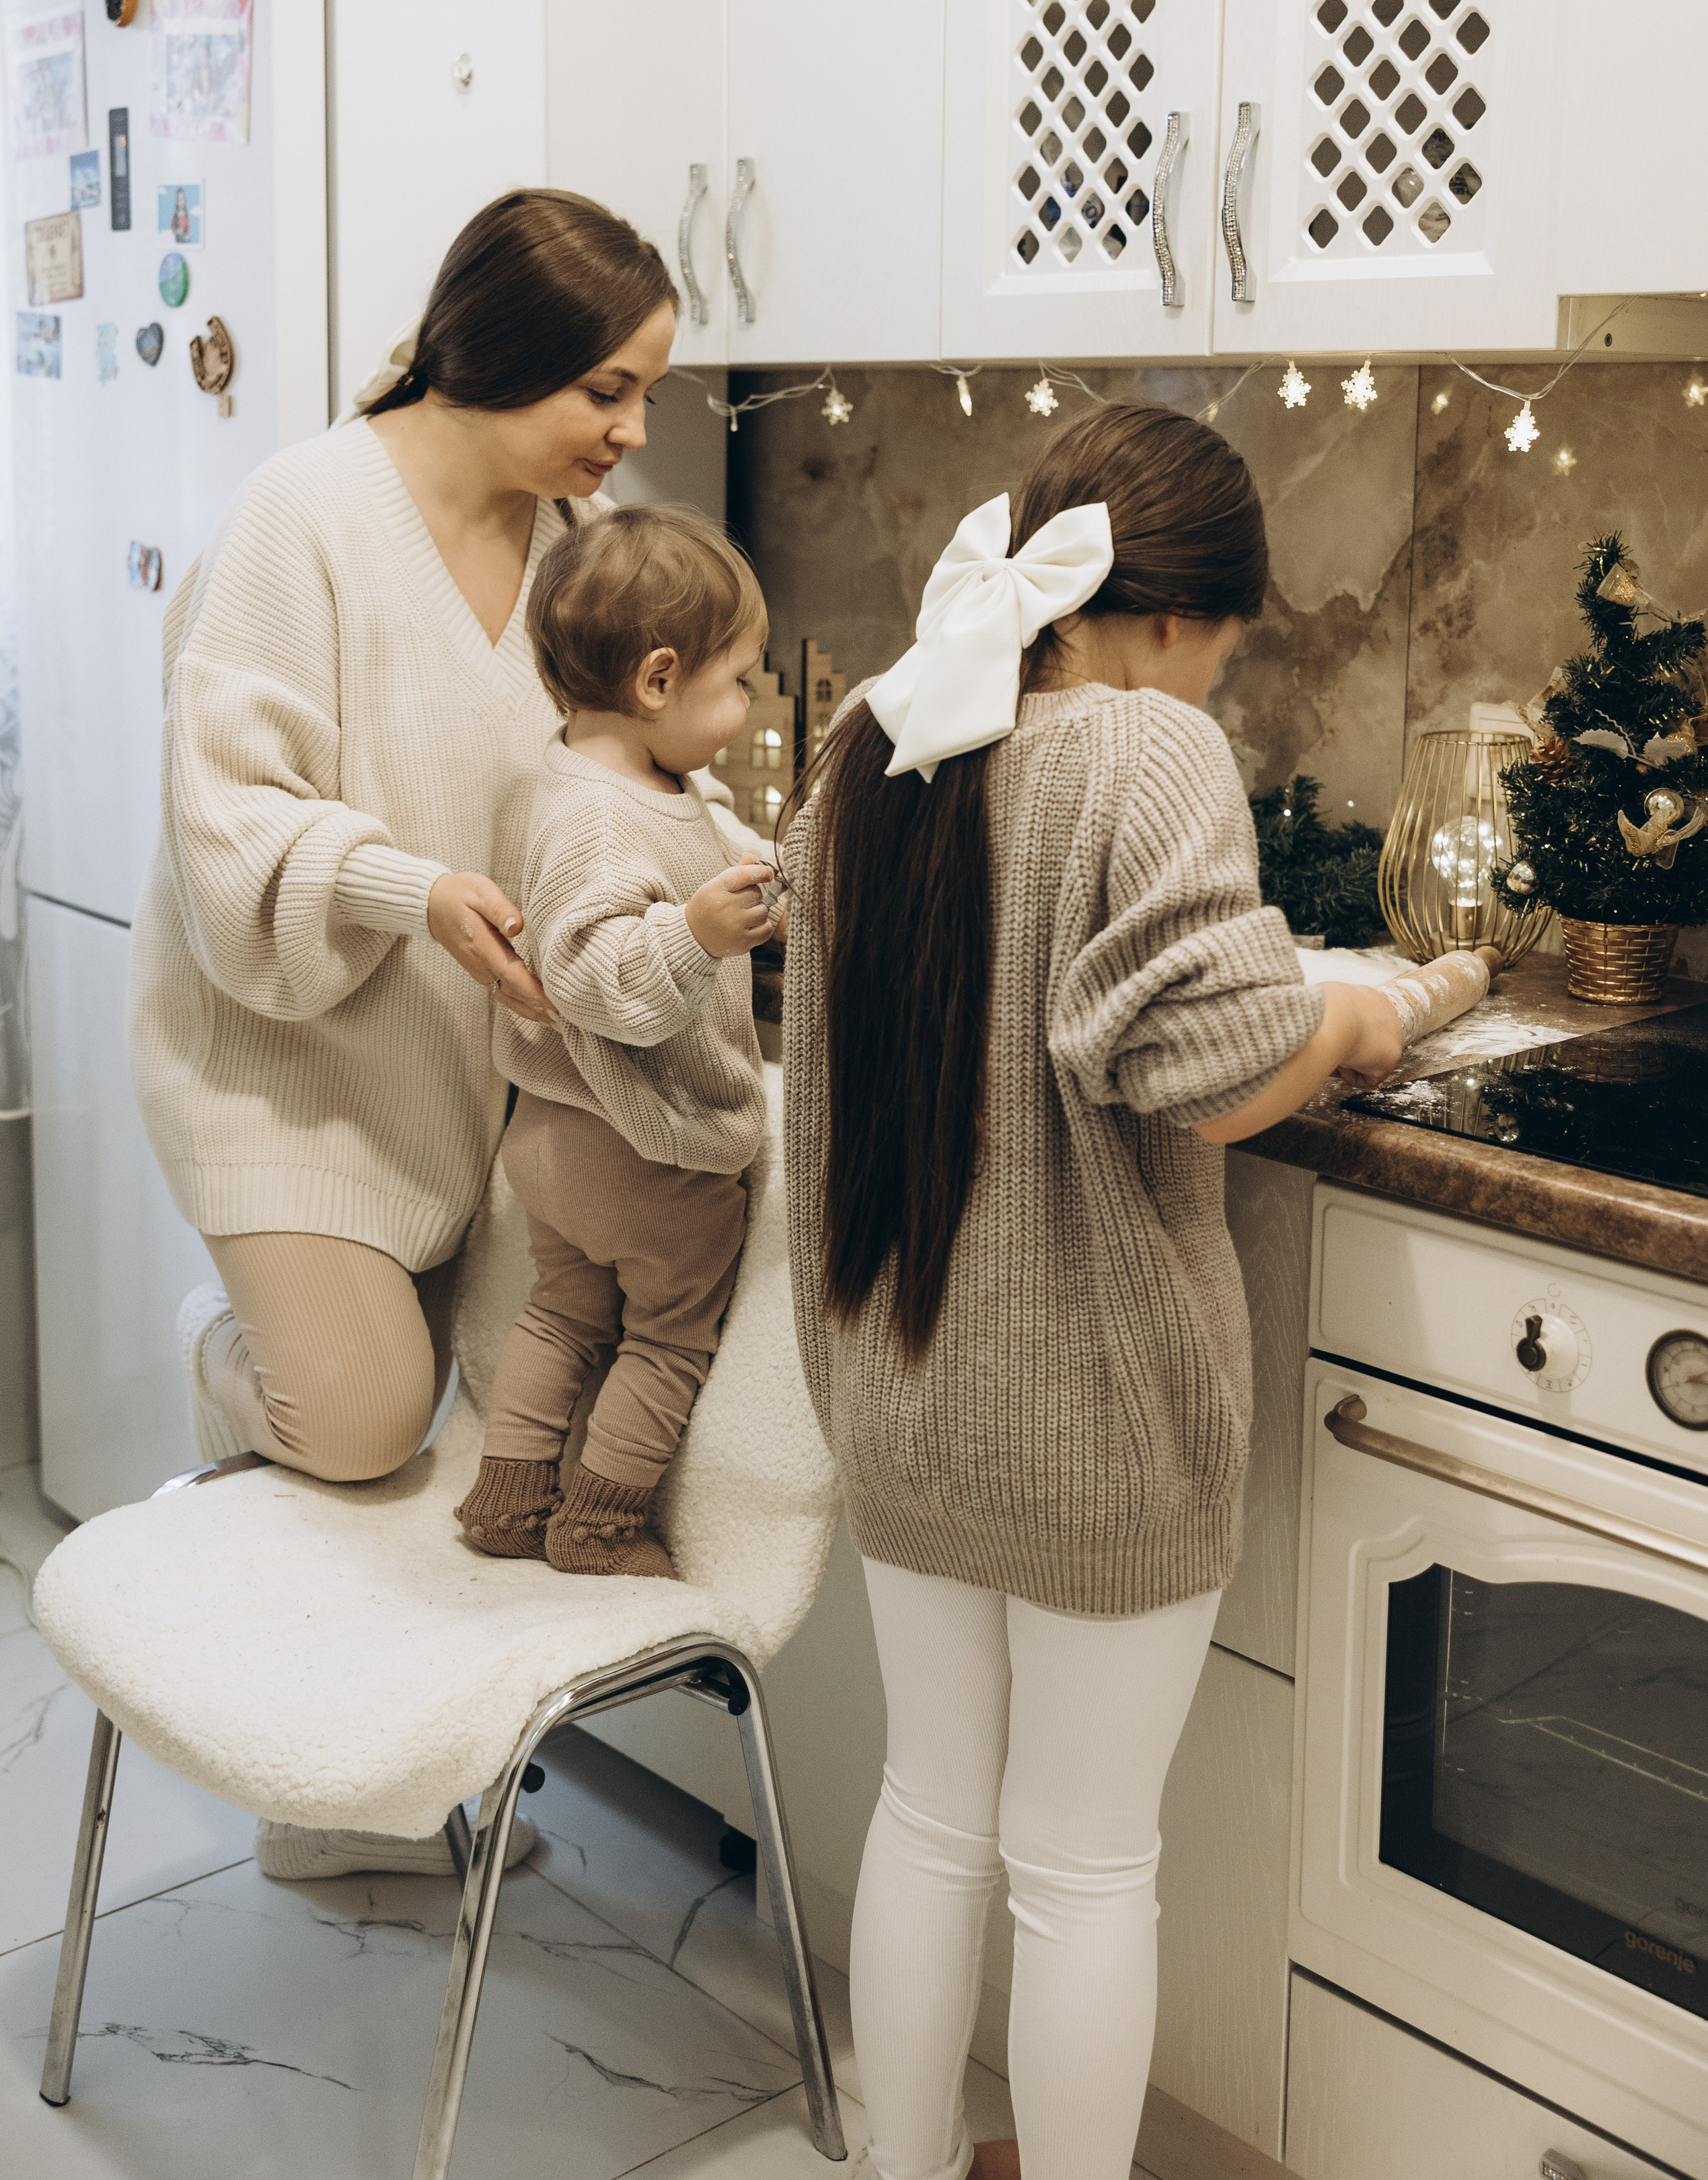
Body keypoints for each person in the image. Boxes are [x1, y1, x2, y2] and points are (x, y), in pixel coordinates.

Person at [779, 406, 1405, 2180]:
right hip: (1100, 1426)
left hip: (899, 1382)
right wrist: (1354, 1016)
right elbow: (1211, 1063)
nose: (1214, 680)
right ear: (1169, 620)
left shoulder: (873, 736)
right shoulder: (1141, 749)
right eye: (1226, 644)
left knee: (926, 1810)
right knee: (1083, 1865)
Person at [128, 188, 711, 1875]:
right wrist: (414, 889)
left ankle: (339, 1826)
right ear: (500, 362)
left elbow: (619, 765)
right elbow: (226, 819)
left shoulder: (573, 556)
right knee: (368, 1417)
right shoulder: (299, 517)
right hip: (278, 1062)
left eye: (648, 394)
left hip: (456, 1075)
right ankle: (222, 1359)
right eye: (607, 389)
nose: (630, 428)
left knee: (436, 1467)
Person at [453, 505, 778, 1575]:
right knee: (670, 1335)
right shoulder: (601, 821)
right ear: (657, 681)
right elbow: (596, 980)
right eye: (737, 684)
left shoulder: (615, 781)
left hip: (556, 1141)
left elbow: (717, 836)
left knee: (561, 1318)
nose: (742, 711)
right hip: (645, 1149)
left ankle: (507, 1505)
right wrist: (692, 934)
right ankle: (598, 1525)